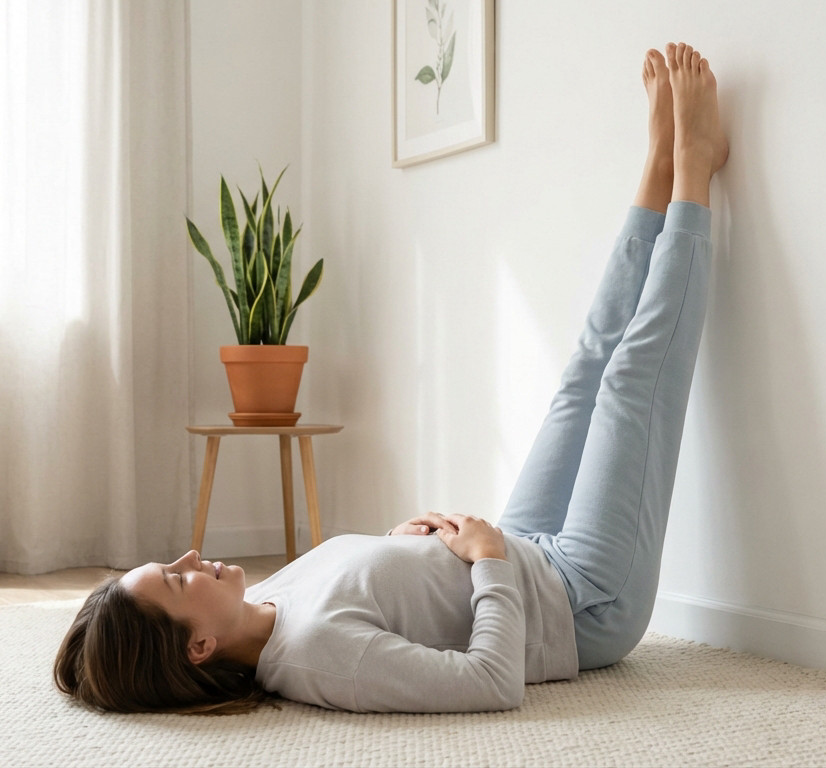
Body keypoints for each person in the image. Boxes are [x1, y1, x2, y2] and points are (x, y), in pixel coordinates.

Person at [54, 42, 729, 715]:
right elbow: (488, 683)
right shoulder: (319, 658)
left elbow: (372, 595)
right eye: (177, 579)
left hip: (519, 556)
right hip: (581, 601)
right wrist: (488, 559)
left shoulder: (269, 603)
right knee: (629, 383)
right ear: (199, 645)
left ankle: (660, 165)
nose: (192, 554)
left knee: (582, 376)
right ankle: (695, 162)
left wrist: (401, 546)